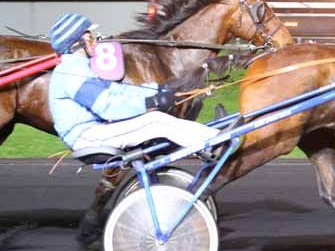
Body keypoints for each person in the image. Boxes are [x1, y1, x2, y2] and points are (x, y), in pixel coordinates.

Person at [47, 13, 219, 152]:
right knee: (156, 121)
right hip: (87, 135)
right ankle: (215, 141)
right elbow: (107, 106)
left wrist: (158, 90)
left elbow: (118, 91)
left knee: (157, 120)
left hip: (94, 130)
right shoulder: (73, 72)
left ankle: (211, 139)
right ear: (77, 44)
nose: (95, 42)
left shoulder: (82, 67)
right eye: (90, 38)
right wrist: (152, 102)